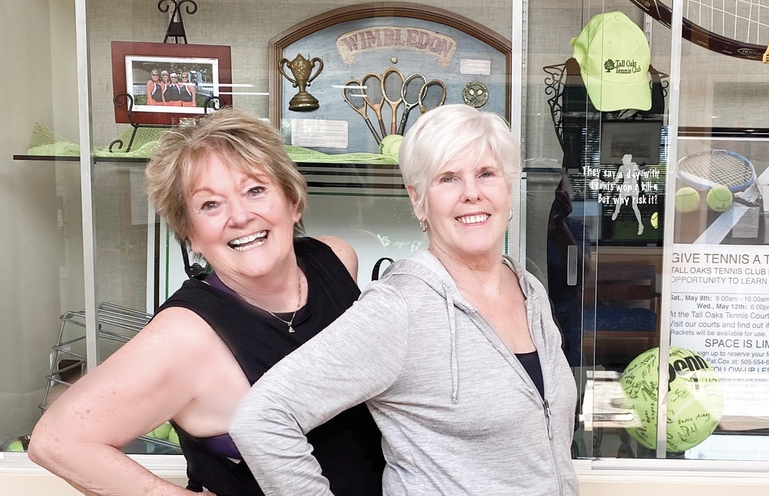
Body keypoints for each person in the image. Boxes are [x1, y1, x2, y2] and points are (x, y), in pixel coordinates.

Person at [29, 109, 385, 495]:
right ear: (191, 235)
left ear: (292, 201)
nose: (240, 216)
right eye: (210, 205)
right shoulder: (186, 335)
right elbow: (57, 442)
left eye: (255, 190)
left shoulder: (335, 260)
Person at [231, 104, 579, 496]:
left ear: (508, 188)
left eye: (486, 174)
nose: (471, 194)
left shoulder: (528, 288)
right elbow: (262, 419)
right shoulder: (400, 307)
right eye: (447, 179)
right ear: (418, 200)